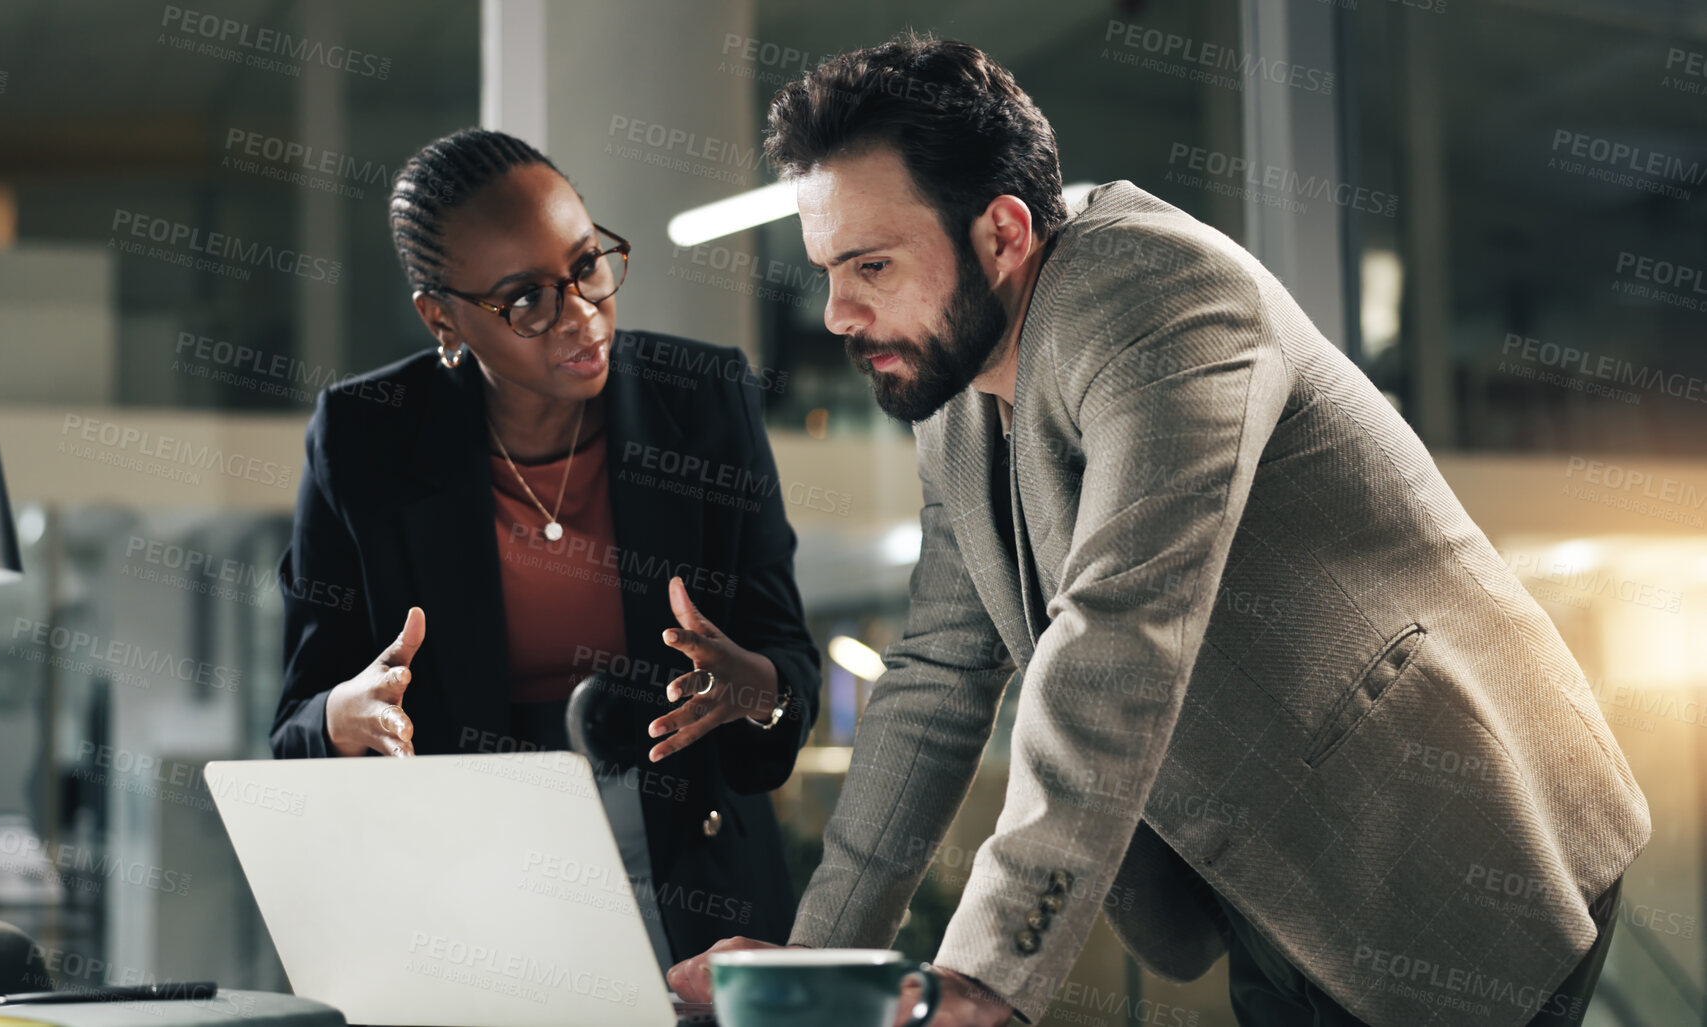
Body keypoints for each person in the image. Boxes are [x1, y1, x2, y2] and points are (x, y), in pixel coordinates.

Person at [668, 32, 1649, 1027]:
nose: (836, 313)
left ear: (1002, 234)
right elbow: (936, 678)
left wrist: (985, 976)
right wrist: (805, 968)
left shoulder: (1160, 298)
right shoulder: (953, 394)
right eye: (827, 270)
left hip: (1448, 842)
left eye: (871, 265)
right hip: (1275, 880)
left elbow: (1120, 632)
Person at [269, 128, 821, 968]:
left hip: (694, 880)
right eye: (525, 299)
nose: (581, 313)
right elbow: (295, 729)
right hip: (468, 890)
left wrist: (756, 688)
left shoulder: (703, 402)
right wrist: (345, 718)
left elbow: (786, 664)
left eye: (586, 264)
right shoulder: (363, 437)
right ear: (441, 317)